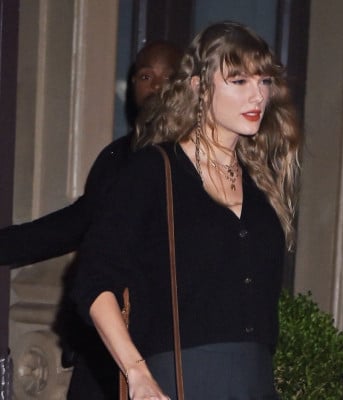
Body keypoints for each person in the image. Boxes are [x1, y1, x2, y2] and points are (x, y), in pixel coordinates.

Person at [71, 21, 301, 399]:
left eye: (263, 81)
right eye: (239, 81)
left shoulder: (261, 185)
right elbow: (93, 282)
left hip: (255, 385)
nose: (257, 95)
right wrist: (137, 373)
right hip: (179, 382)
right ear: (199, 87)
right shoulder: (153, 172)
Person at [0, 40, 183, 399]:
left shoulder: (197, 164)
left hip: (169, 347)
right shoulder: (118, 157)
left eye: (169, 77)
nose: (157, 87)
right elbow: (73, 225)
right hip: (104, 344)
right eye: (146, 76)